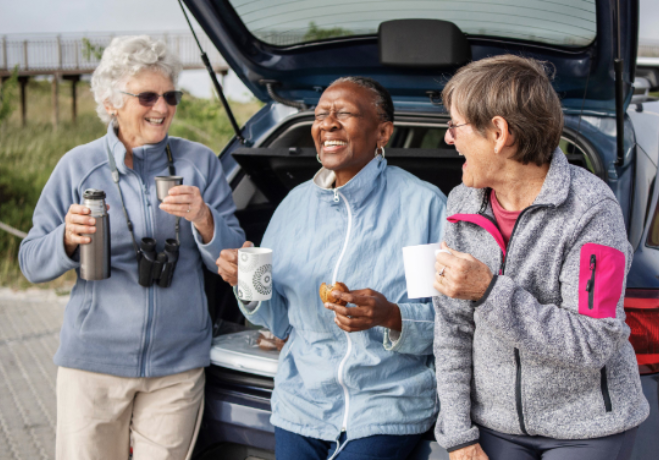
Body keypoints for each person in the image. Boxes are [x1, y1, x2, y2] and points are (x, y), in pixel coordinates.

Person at [18, 35, 245, 460]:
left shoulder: (201, 163)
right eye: (147, 96)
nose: (162, 108)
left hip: (178, 367)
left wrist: (205, 220)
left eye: (170, 95)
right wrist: (65, 239)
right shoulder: (77, 166)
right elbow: (30, 262)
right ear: (111, 103)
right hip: (92, 366)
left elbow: (232, 262)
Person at [432, 55, 649, 460]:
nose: (448, 138)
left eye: (454, 126)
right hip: (493, 428)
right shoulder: (461, 205)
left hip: (586, 430)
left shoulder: (592, 211)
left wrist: (489, 290)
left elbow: (593, 341)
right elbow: (452, 332)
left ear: (498, 132)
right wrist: (459, 434)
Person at [217, 76, 447, 460]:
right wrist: (247, 282)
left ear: (383, 132)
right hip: (301, 403)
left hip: (387, 405)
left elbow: (448, 325)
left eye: (344, 113)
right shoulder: (294, 206)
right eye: (321, 114)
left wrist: (391, 316)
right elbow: (279, 323)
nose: (327, 123)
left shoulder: (423, 207)